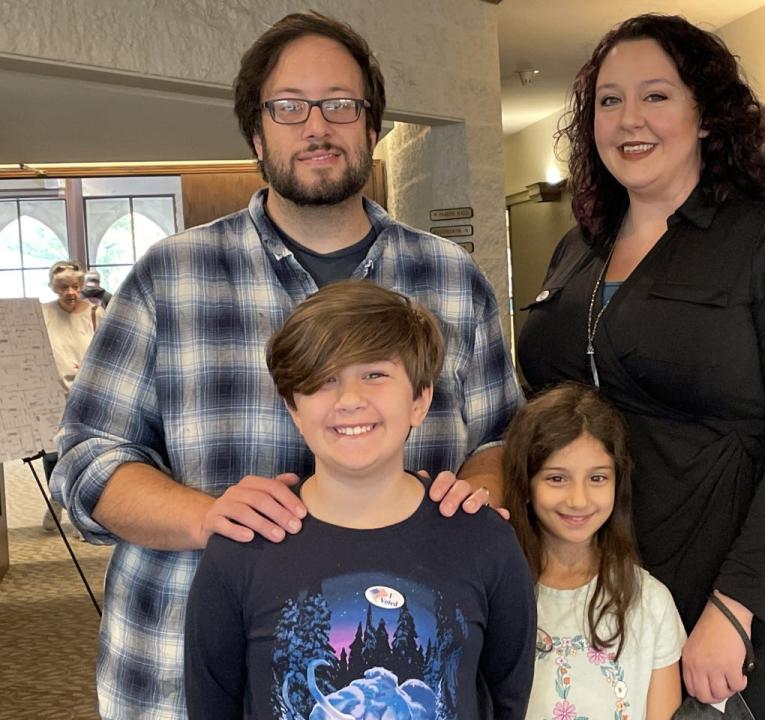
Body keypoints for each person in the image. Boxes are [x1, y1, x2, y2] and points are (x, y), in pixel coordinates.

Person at [51, 11, 520, 719]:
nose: (317, 126)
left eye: (340, 104)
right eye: (289, 107)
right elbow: (85, 460)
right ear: (256, 132)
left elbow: (504, 436)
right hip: (176, 674)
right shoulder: (170, 276)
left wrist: (477, 491)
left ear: (371, 125)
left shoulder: (451, 279)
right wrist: (206, 516)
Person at [517, 14, 765, 720]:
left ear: (706, 113)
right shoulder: (579, 248)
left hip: (720, 579)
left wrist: (736, 608)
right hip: (592, 571)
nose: (629, 119)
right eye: (609, 100)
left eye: (656, 96)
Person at [185, 280, 536, 720]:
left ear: (420, 399)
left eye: (375, 374)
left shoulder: (485, 541)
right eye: (324, 379)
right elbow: (210, 704)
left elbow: (507, 696)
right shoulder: (242, 547)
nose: (350, 400)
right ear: (294, 407)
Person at [503, 383, 684, 720]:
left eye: (597, 478)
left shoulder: (651, 602)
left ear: (618, 481)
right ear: (526, 484)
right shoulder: (499, 595)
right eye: (557, 478)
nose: (578, 500)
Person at [39, 260, 104, 531]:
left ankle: (80, 513)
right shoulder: (42, 312)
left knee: (82, 452)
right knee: (52, 452)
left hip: (86, 393)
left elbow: (105, 350)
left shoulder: (93, 313)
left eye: (75, 286)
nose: (70, 292)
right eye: (64, 287)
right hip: (51, 391)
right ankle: (56, 499)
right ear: (54, 288)